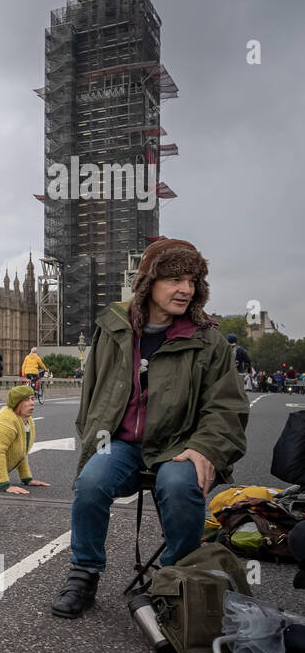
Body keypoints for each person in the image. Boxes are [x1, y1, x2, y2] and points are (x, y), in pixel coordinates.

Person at [51, 238, 248, 619]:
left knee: (178, 485)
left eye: (192, 280)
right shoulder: (114, 326)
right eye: (175, 278)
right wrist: (94, 437)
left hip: (179, 444)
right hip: (121, 442)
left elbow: (227, 407)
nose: (185, 289)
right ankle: (84, 572)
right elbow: (93, 390)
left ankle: (174, 580)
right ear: (148, 283)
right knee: (91, 483)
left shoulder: (206, 339)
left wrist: (205, 448)